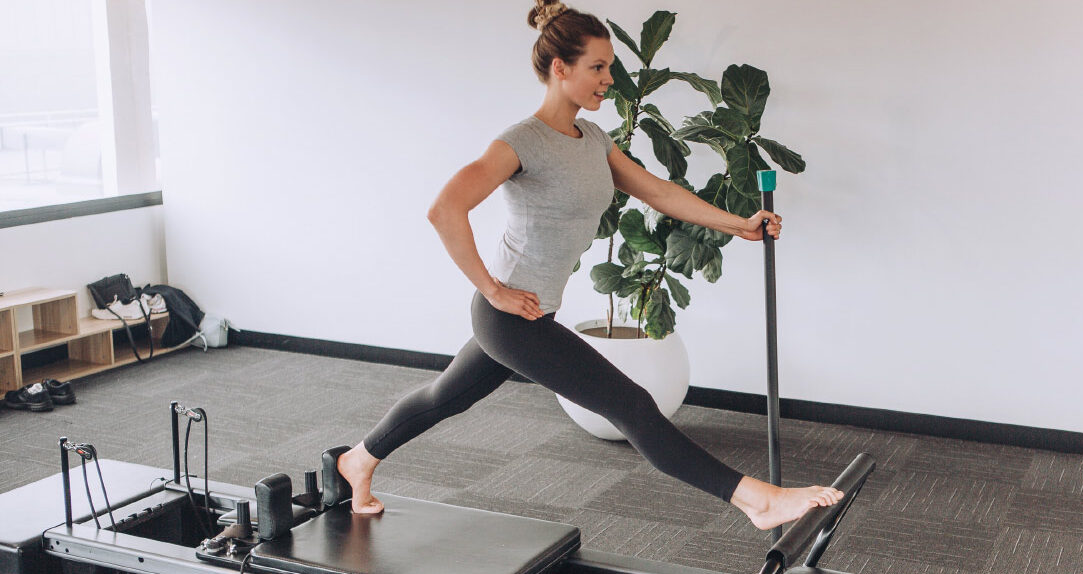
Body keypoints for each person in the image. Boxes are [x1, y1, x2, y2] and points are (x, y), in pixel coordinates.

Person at [337, 0, 843, 530]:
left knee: (443, 397)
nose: (609, 79)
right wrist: (492, 289)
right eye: (597, 67)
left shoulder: (594, 140)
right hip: (510, 319)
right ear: (561, 68)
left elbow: (658, 191)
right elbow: (445, 209)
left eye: (610, 67)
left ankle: (357, 461)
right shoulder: (522, 142)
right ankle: (756, 501)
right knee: (632, 405)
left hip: (532, 313)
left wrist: (737, 224)